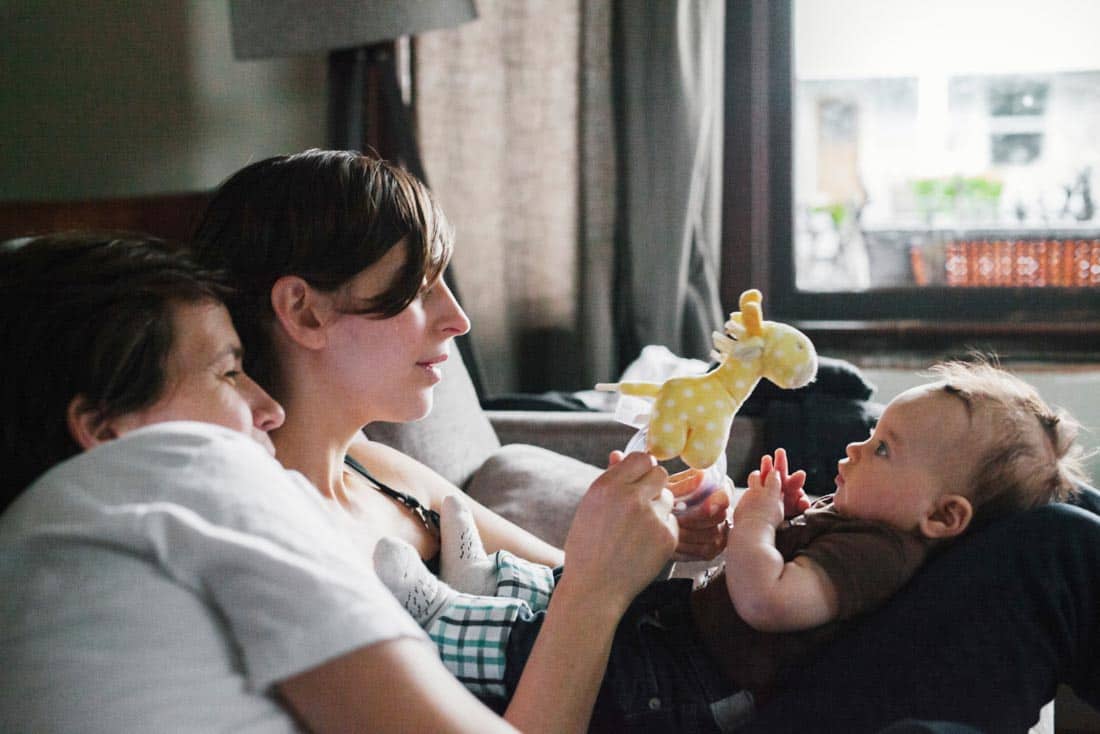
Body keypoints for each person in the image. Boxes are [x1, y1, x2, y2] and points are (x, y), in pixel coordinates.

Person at [191, 149, 735, 729]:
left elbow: (583, 591)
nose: (457, 318)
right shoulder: (285, 547)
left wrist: (663, 536)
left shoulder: (379, 468)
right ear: (305, 313)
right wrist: (600, 584)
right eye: (419, 289)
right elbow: (591, 597)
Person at [371, 359, 1092, 731]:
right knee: (1067, 534)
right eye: (872, 437)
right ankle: (480, 589)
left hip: (686, 691)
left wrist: (747, 525)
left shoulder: (874, 552)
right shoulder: (872, 536)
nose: (855, 446)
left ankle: (457, 606)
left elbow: (766, 598)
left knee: (1068, 524)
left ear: (942, 517)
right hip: (690, 671)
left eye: (882, 450)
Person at [0, 233, 518, 733]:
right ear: (106, 430)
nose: (269, 409)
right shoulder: (182, 464)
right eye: (228, 374)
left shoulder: (38, 543)